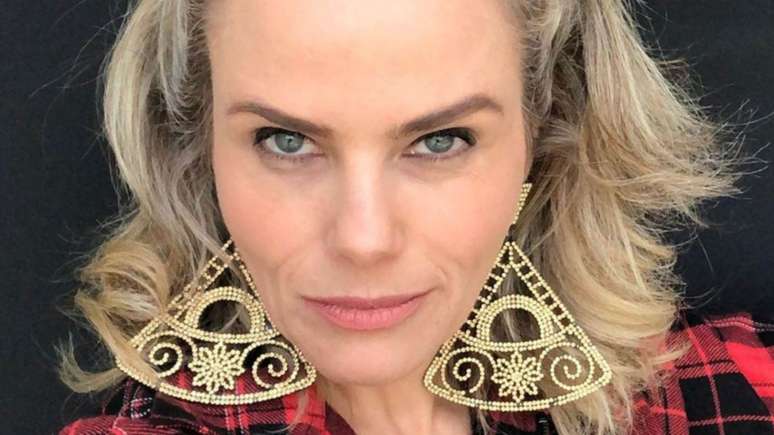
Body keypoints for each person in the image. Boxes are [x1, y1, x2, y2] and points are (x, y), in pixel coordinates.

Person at [56, 0, 773, 434]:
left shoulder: (725, 390)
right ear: (198, 147)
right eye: (286, 141)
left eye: (440, 141)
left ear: (540, 137)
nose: (364, 239)